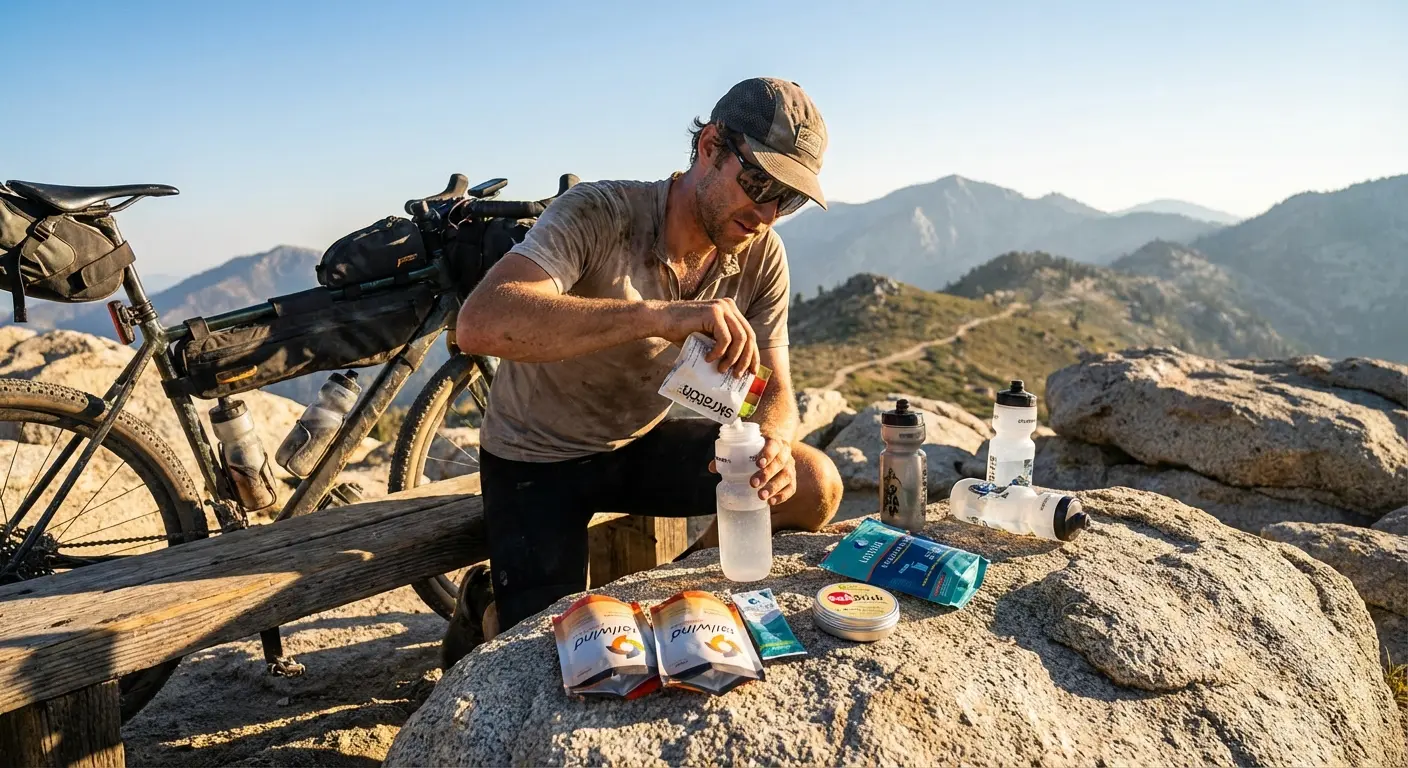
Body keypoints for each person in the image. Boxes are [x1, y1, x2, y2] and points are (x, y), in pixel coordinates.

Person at [442, 77, 844, 667]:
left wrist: (777, 442)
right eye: (758, 183)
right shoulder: (601, 212)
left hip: (637, 439)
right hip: (537, 454)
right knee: (550, 653)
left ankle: (671, 592)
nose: (765, 213)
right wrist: (657, 316)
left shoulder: (762, 255)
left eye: (788, 199)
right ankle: (487, 603)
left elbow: (776, 388)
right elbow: (481, 323)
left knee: (814, 483)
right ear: (710, 146)